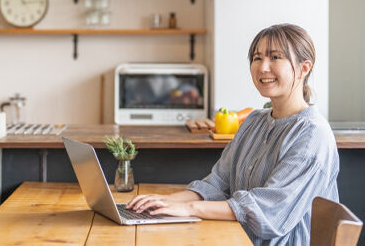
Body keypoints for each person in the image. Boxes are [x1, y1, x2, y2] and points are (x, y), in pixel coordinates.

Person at [126, 24, 339, 245]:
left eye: (275, 57)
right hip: (235, 238)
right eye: (257, 58)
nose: (263, 67)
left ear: (304, 68)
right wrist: (164, 202)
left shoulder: (312, 135)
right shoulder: (254, 121)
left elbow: (267, 211)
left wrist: (186, 208)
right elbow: (218, 183)